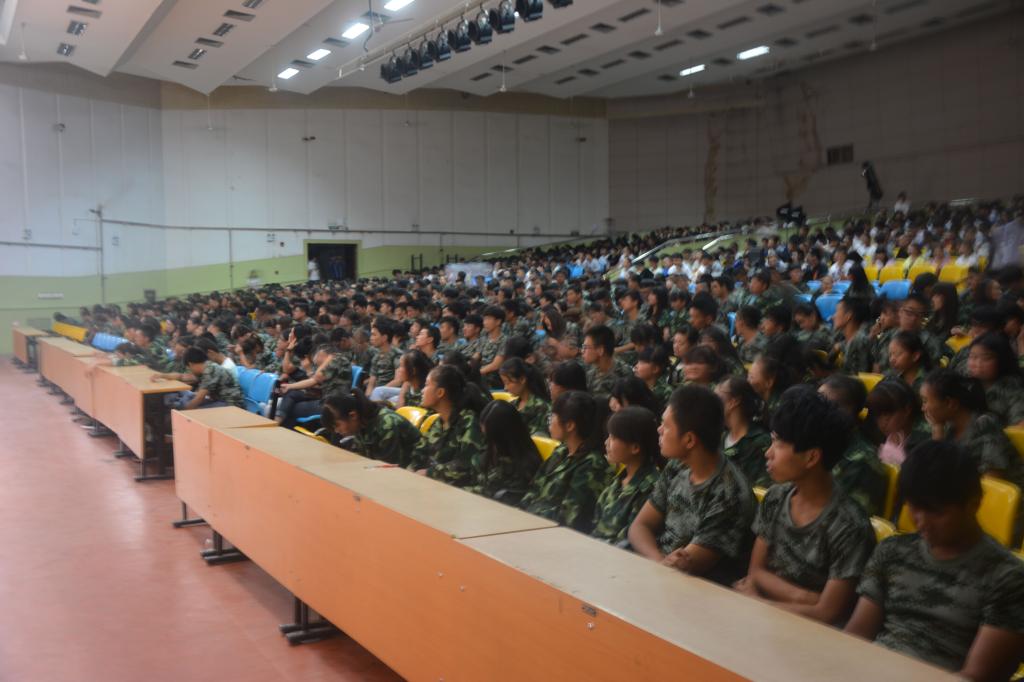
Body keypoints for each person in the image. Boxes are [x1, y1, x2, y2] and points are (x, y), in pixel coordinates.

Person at [845, 440, 1024, 677]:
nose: (921, 521)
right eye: (914, 507)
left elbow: (976, 676)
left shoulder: (1006, 577)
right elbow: (856, 639)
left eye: (936, 512)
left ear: (973, 504)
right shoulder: (892, 552)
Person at [735, 387, 875, 625]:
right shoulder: (776, 497)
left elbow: (828, 613)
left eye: (779, 444)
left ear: (811, 457)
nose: (768, 453)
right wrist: (808, 598)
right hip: (764, 620)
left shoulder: (850, 525)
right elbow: (756, 572)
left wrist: (760, 603)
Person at [628, 385, 756, 585]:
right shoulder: (677, 466)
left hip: (697, 587)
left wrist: (661, 566)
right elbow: (639, 527)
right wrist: (658, 561)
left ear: (689, 440)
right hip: (660, 569)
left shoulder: (729, 492)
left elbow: (688, 564)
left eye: (666, 426)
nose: (659, 430)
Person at [920, 369, 1024, 505]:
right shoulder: (949, 428)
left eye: (925, 401)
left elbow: (993, 483)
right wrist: (937, 429)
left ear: (950, 403)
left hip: (1003, 506)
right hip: (968, 500)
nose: (923, 408)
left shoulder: (985, 425)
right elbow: (937, 472)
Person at [520, 391, 613, 533]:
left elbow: (569, 518)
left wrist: (528, 517)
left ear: (569, 425)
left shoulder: (592, 466)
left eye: (553, 417)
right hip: (532, 524)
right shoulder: (561, 451)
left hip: (554, 533)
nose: (550, 422)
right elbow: (534, 488)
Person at [819, 374, 889, 518]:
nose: (815, 411)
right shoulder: (818, 443)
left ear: (849, 411)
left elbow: (850, 521)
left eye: (825, 406)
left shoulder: (863, 462)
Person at [591, 407, 662, 545]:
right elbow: (596, 523)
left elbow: (627, 542)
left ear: (635, 448)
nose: (606, 443)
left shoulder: (650, 488)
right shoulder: (618, 481)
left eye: (613, 438)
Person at [410, 365, 487, 487]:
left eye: (426, 385)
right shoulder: (438, 422)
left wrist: (429, 473)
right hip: (433, 485)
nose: (422, 391)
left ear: (440, 392)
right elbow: (419, 452)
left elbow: (466, 466)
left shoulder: (469, 422)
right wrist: (409, 472)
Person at [320, 389, 422, 467]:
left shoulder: (387, 424)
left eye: (337, 425)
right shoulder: (360, 424)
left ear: (352, 415)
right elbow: (359, 458)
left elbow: (389, 469)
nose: (337, 431)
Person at [469, 400, 543, 506]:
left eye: (491, 438)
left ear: (502, 437)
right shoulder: (492, 452)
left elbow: (505, 500)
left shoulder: (525, 468)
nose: (488, 442)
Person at [716, 376, 771, 487]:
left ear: (734, 402)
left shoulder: (760, 441)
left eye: (717, 398)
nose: (713, 403)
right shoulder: (720, 438)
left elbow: (758, 486)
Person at [866, 379, 931, 468]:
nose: (882, 423)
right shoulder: (879, 432)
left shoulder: (925, 438)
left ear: (907, 410)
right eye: (877, 415)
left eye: (887, 416)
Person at [967, 332, 1024, 427]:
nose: (977, 363)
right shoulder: (965, 383)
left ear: (1002, 360)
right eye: (973, 357)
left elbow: (1020, 424)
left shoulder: (1013, 388)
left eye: (986, 358)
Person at [174, 347, 244, 410]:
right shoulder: (208, 366)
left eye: (189, 369)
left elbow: (199, 398)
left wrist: (183, 411)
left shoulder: (210, 371)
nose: (190, 371)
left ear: (190, 364)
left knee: (196, 410)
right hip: (220, 400)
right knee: (190, 398)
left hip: (230, 404)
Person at [499, 357, 551, 436]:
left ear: (522, 379)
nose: (505, 388)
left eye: (507, 383)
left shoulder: (542, 407)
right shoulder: (512, 405)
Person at [582, 325, 632, 400]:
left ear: (600, 350)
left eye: (585, 347)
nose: (582, 351)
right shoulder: (588, 371)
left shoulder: (624, 374)